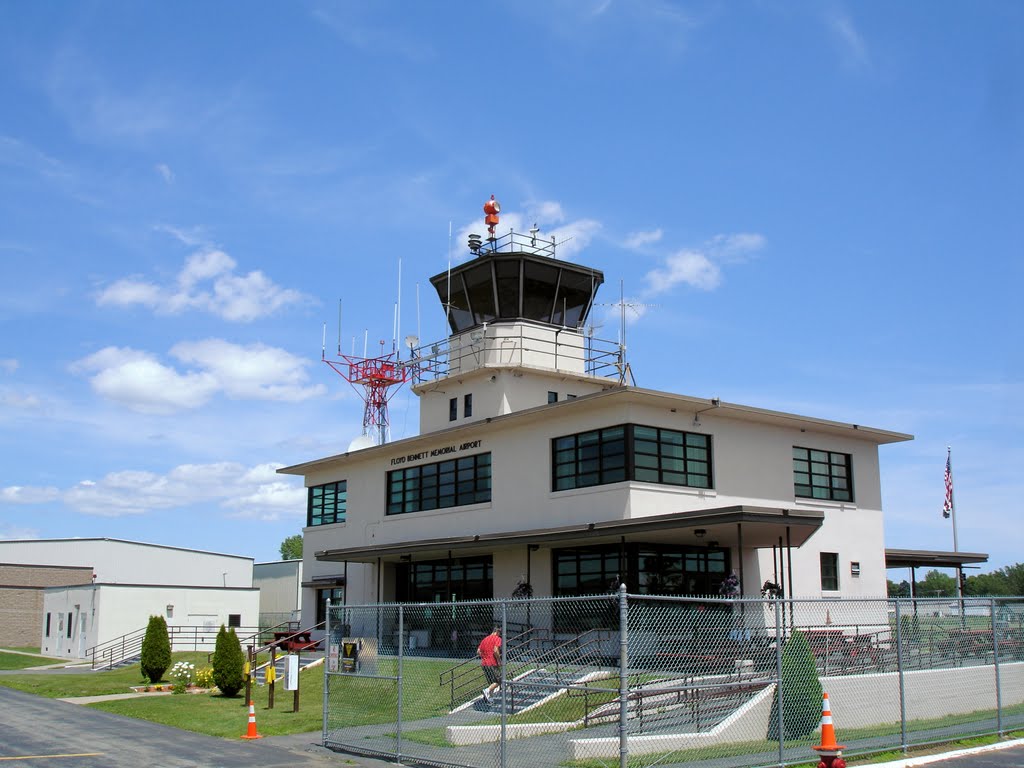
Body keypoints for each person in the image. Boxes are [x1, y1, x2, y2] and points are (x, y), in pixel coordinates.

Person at [477, 626, 502, 702]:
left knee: (492, 682)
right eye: (499, 633)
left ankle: (490, 698)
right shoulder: (497, 638)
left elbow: (478, 651)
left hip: (484, 663)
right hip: (492, 663)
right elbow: (495, 650)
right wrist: (499, 660)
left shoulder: (485, 639)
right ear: (497, 632)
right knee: (499, 680)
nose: (499, 635)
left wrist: (484, 656)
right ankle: (487, 690)